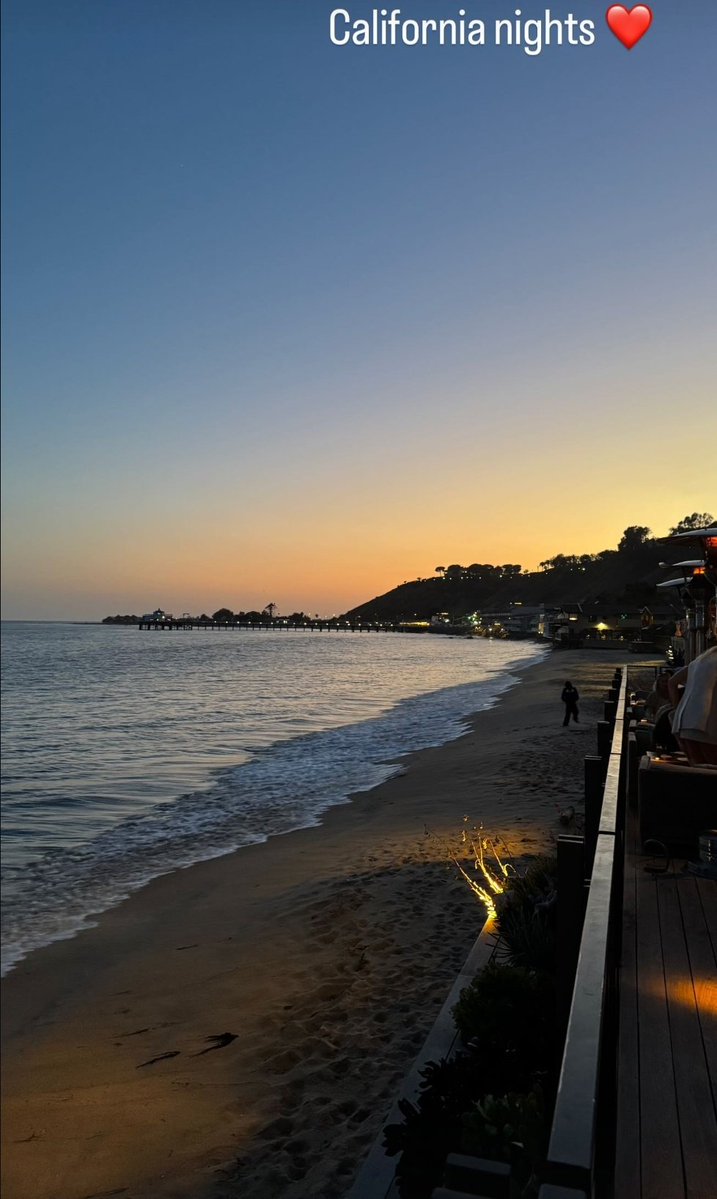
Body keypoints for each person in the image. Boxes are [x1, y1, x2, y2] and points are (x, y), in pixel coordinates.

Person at [667, 645, 717, 766]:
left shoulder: (701, 660)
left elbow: (672, 682)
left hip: (683, 723)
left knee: (698, 773)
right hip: (706, 726)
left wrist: (676, 708)